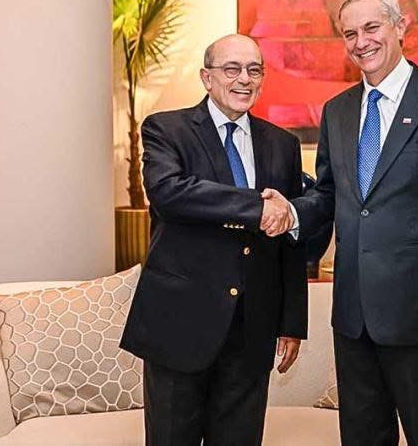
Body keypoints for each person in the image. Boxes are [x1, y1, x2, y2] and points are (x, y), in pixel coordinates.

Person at [263, 0, 418, 445]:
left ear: (400, 26)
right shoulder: (337, 111)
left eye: (372, 27)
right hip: (353, 313)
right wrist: (291, 210)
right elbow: (329, 195)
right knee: (362, 435)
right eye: (350, 33)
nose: (361, 41)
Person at [120, 34, 307, 446]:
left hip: (252, 330)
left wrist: (291, 323)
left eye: (254, 70)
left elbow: (288, 243)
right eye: (232, 69)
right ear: (207, 77)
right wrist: (257, 207)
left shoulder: (283, 145)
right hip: (180, 325)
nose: (244, 79)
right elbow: (169, 193)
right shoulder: (166, 129)